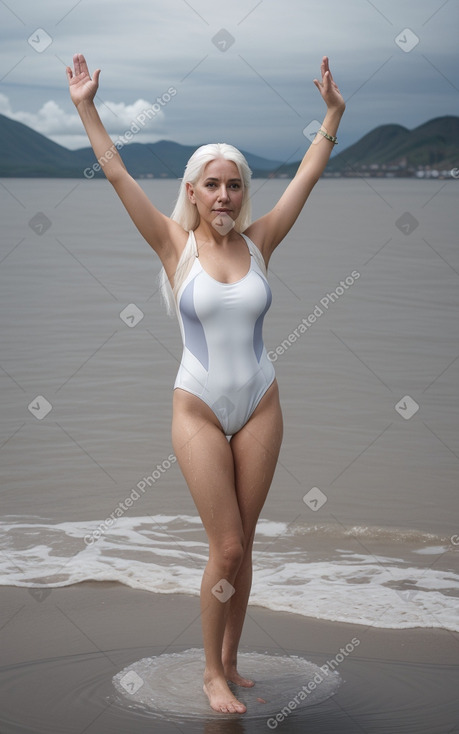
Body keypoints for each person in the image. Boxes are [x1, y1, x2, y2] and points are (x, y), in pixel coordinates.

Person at [66, 53, 345, 715]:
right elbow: (114, 172)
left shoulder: (260, 243)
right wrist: (85, 106)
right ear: (191, 191)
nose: (224, 196)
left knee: (243, 549)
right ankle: (208, 674)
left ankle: (231, 662)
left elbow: (306, 174)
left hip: (261, 404)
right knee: (222, 546)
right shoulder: (173, 245)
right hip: (196, 407)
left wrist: (332, 114)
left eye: (234, 185)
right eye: (211, 185)